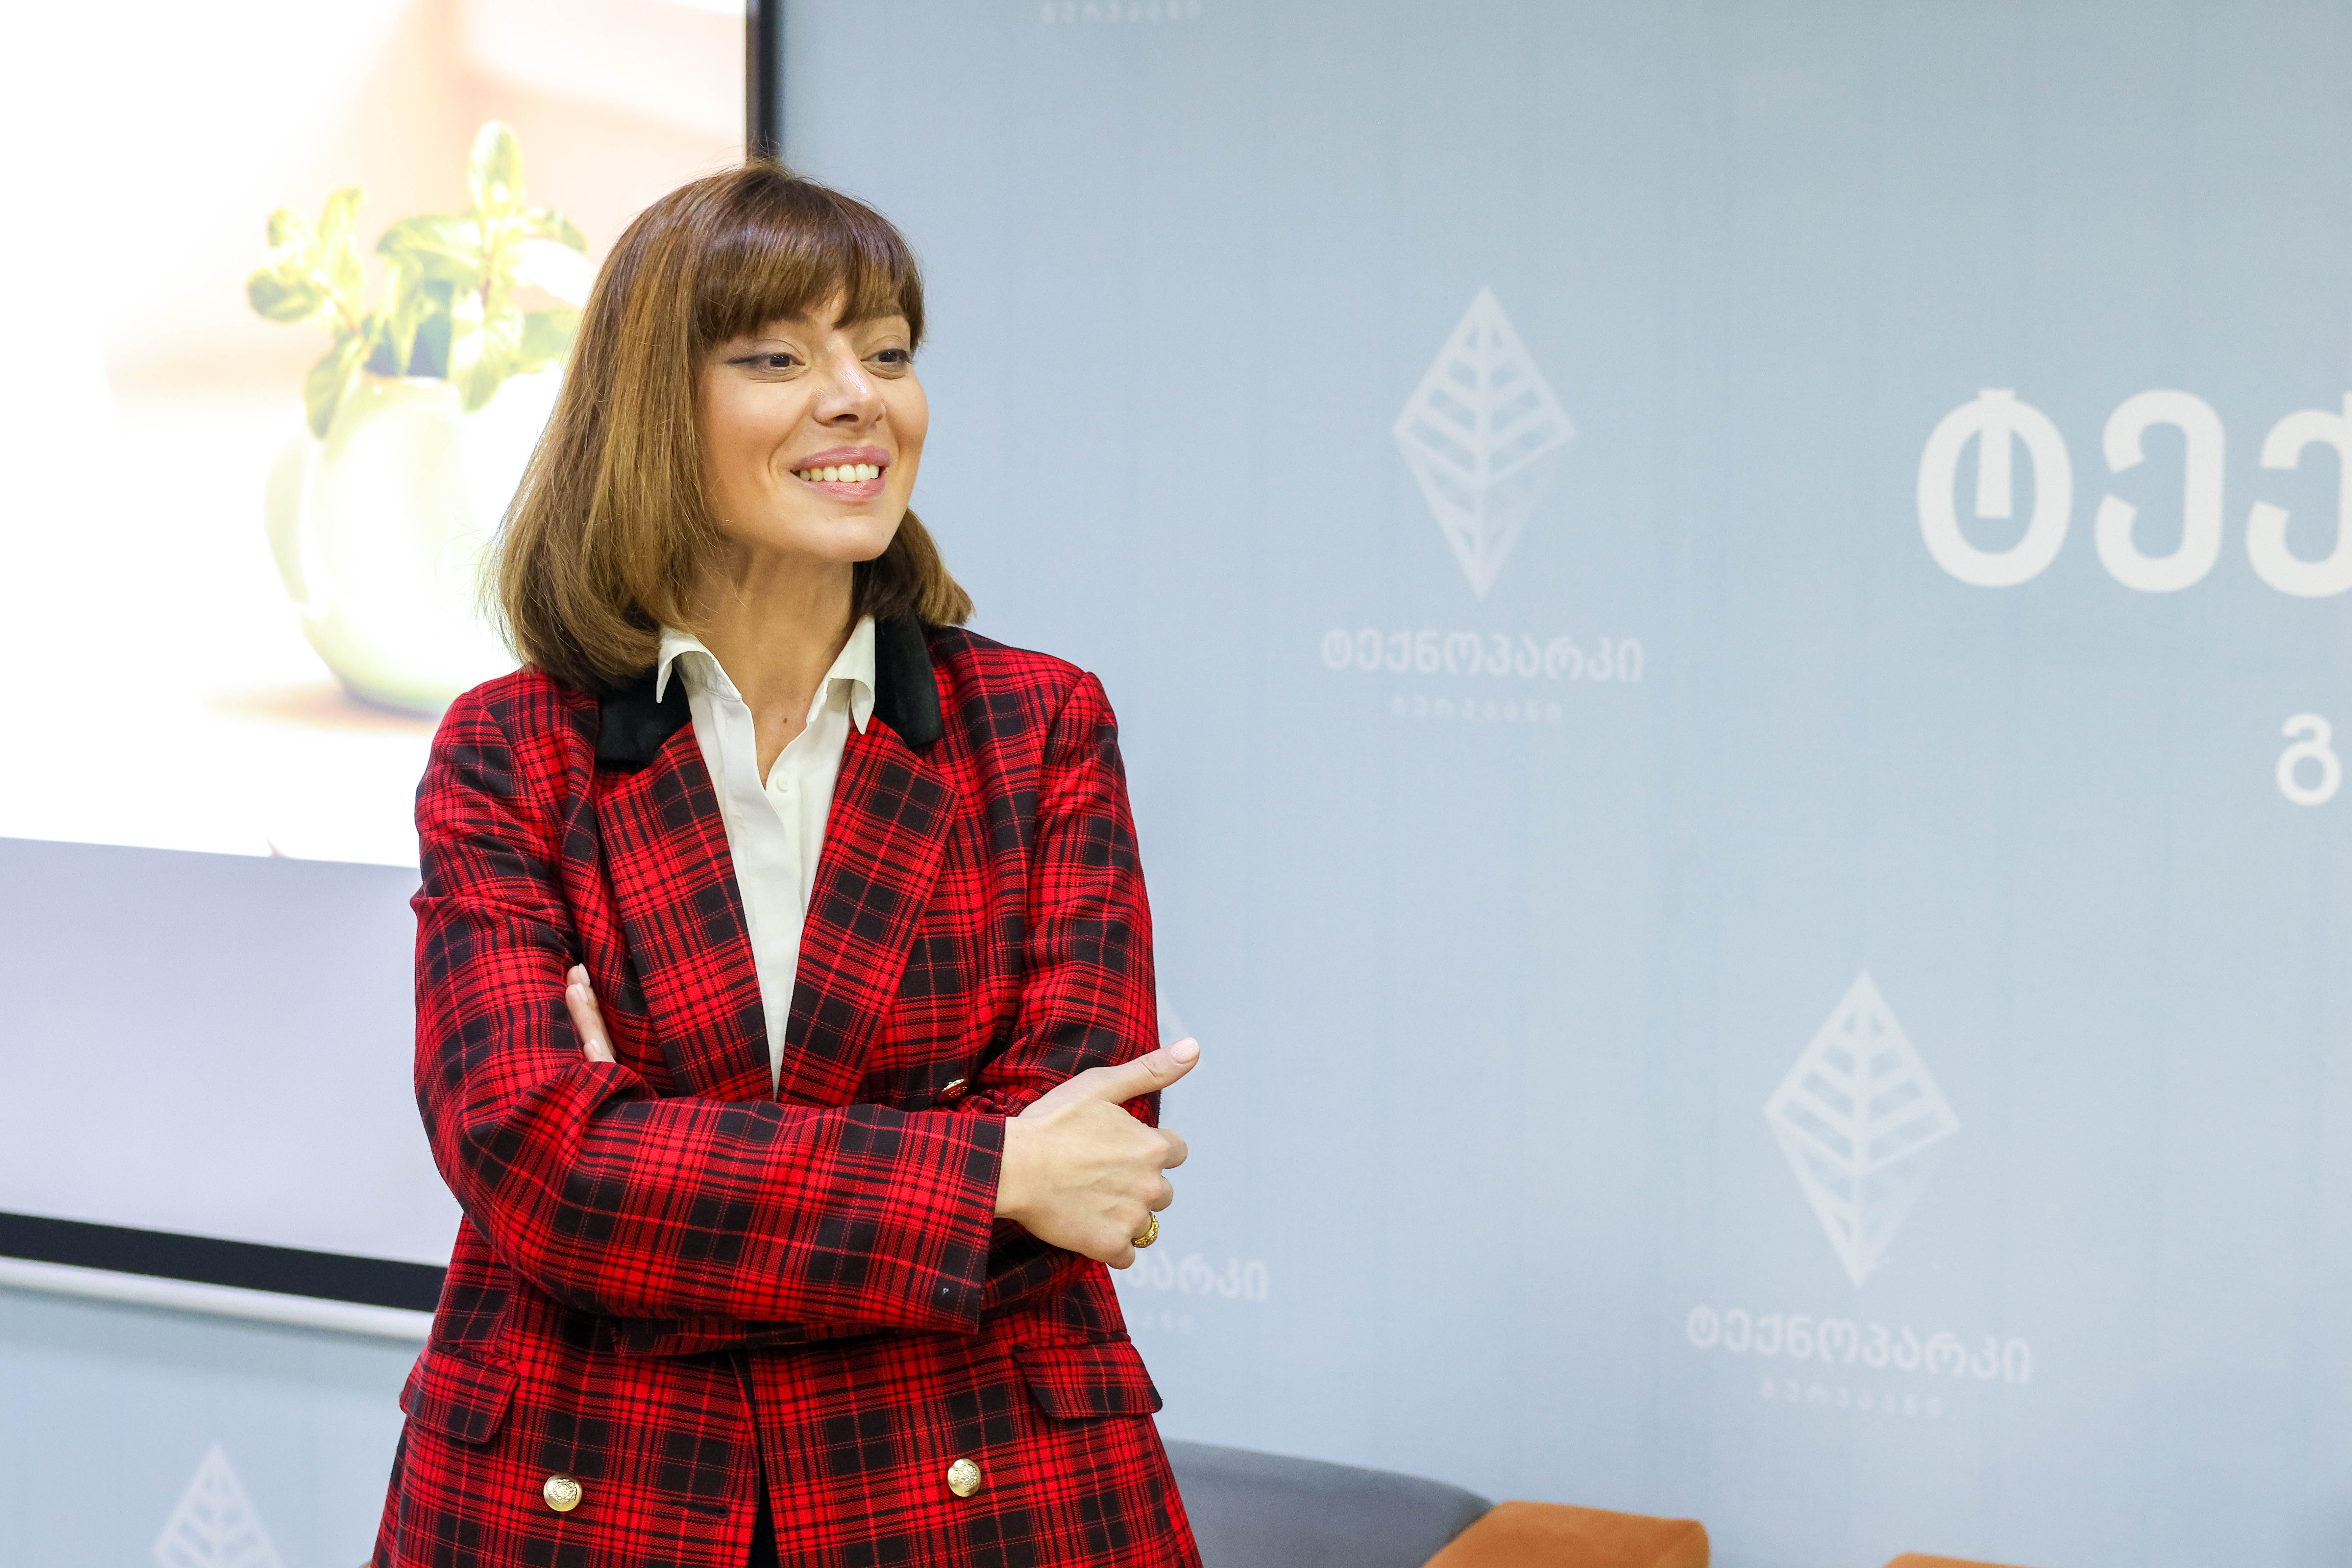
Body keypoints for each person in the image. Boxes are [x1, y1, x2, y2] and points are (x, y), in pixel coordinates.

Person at [373, 163, 1202, 1568]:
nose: (859, 397)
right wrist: (987, 1167)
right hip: (596, 1494)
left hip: (967, 1495)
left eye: (887, 353)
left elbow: (1084, 1177)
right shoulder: (510, 749)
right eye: (778, 357)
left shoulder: (1039, 727)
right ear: (653, 408)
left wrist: (658, 1177)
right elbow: (544, 1170)